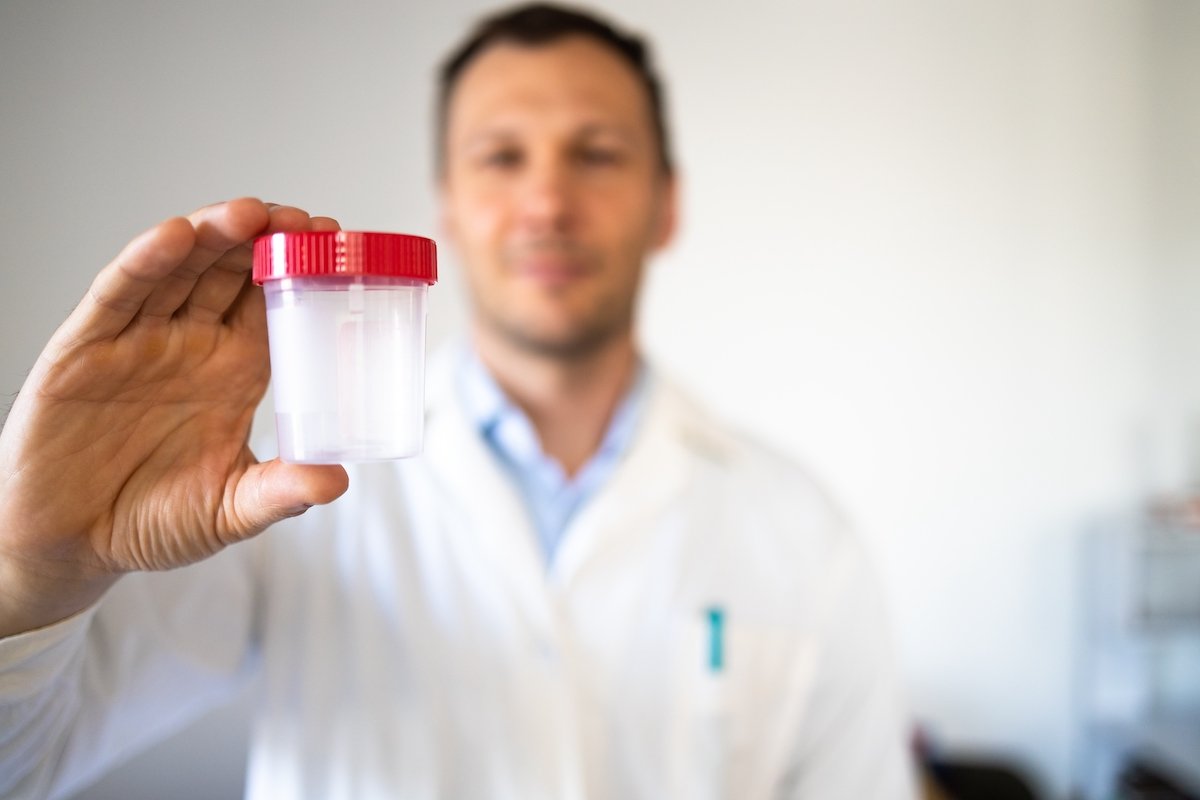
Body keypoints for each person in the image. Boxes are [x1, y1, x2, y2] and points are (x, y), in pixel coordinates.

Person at [0, 4, 915, 798]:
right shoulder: (271, 489)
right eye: (501, 156)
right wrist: (30, 575)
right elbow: (23, 766)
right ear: (448, 205)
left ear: (666, 205)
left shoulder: (803, 534)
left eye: (597, 154)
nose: (546, 201)